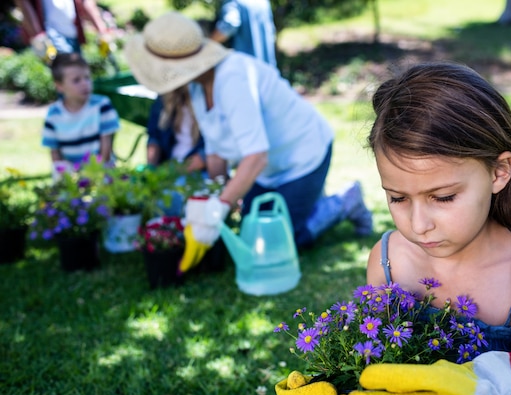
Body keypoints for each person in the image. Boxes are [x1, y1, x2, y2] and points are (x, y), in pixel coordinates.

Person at [365, 62, 511, 395]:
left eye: (444, 197)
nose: (418, 225)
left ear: (499, 172)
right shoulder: (388, 260)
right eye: (398, 198)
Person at [124, 12, 372, 250]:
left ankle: (345, 201)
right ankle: (307, 200)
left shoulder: (232, 79)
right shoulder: (198, 87)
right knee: (252, 234)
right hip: (266, 170)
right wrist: (214, 198)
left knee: (281, 241)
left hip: (302, 156)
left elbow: (255, 156)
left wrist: (218, 208)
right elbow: (215, 153)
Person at [42, 52, 119, 170]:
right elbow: (54, 152)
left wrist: (96, 173)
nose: (85, 84)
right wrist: (64, 175)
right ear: (59, 86)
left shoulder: (102, 106)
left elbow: (106, 147)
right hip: (70, 173)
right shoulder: (54, 114)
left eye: (87, 78)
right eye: (76, 80)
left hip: (101, 170)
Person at [15, 0, 110, 59]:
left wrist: (102, 31)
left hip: (73, 31)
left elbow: (86, 2)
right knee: (69, 73)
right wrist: (39, 35)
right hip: (52, 33)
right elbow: (24, 4)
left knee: (77, 74)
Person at [146, 86, 206, 173]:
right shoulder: (165, 97)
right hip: (169, 165)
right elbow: (155, 136)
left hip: (198, 172)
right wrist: (151, 168)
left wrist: (174, 172)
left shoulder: (204, 99)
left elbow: (210, 151)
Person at [210, 0, 277, 67]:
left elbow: (230, 24)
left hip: (245, 68)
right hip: (266, 66)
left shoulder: (234, 1)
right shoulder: (263, 2)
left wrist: (208, 43)